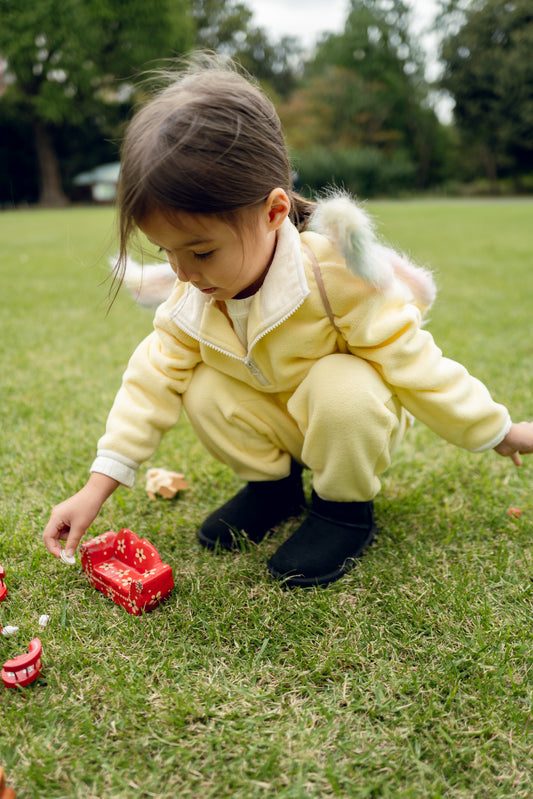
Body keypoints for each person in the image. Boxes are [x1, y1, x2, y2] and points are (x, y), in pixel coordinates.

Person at [43, 54, 533, 588]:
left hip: (348, 423)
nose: (182, 272)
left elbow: (414, 360)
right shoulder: (191, 295)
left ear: (274, 212)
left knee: (339, 384)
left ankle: (342, 509)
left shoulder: (332, 276)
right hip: (280, 424)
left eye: (202, 251)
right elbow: (148, 384)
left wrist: (498, 430)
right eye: (167, 251)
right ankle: (272, 489)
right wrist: (96, 487)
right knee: (201, 386)